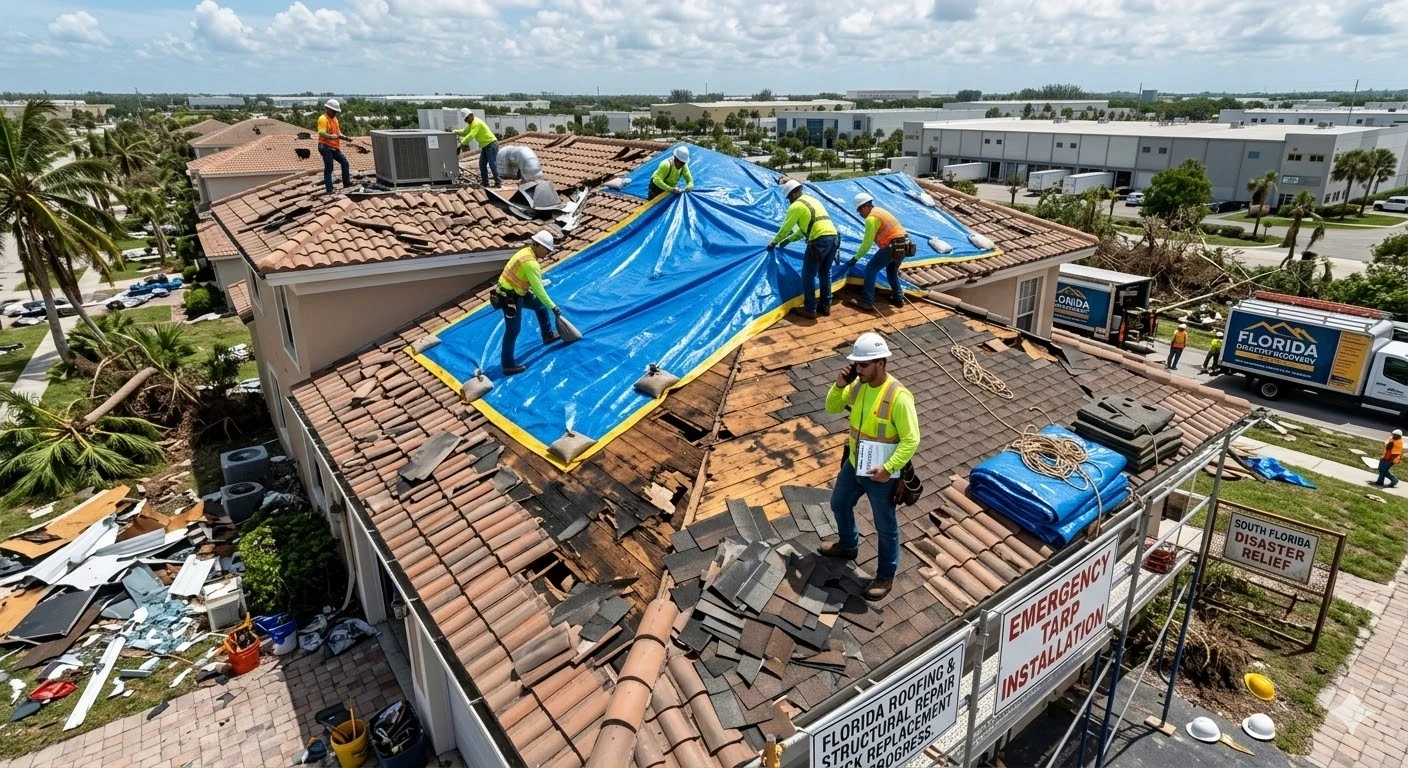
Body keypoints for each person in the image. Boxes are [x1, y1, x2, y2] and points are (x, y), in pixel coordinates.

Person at [819, 332, 920, 600]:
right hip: (855, 465)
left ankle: (885, 576)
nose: (858, 370)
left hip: (882, 475)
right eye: (856, 365)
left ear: (881, 363)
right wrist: (840, 384)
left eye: (863, 365)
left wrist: (889, 468)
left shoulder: (898, 397)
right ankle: (849, 545)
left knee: (885, 525)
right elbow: (831, 407)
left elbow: (911, 439)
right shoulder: (859, 385)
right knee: (839, 504)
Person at [769, 179, 839, 319]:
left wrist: (773, 243)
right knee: (825, 273)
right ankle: (825, 306)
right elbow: (804, 230)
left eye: (789, 197)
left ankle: (810, 309)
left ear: (793, 194)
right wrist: (788, 241)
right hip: (833, 237)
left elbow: (785, 228)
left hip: (819, 240)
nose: (789, 200)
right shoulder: (812, 201)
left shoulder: (796, 206)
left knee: (808, 275)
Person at [493, 231, 561, 375]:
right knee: (513, 330)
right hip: (509, 297)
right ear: (538, 245)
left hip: (518, 292)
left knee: (540, 307)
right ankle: (508, 365)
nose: (548, 253)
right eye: (547, 249)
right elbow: (539, 290)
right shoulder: (531, 263)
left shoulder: (525, 252)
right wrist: (553, 307)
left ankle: (548, 335)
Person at [845, 192, 911, 311]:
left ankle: (867, 301)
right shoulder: (880, 211)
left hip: (892, 246)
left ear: (865, 206)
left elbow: (866, 244)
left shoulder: (871, 219)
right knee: (891, 271)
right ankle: (898, 298)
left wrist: (855, 258)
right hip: (905, 244)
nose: (860, 214)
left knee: (870, 269)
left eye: (860, 210)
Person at [454, 109, 501, 188]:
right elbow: (465, 132)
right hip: (485, 146)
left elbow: (471, 135)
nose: (466, 121)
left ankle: (498, 181)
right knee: (482, 164)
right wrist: (454, 132)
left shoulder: (476, 123)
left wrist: (461, 144)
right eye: (465, 119)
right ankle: (485, 183)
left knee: (492, 163)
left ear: (471, 115)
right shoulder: (471, 124)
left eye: (466, 119)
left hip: (491, 144)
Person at [316, 99, 352, 195]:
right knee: (329, 168)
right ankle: (329, 189)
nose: (334, 113)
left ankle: (347, 183)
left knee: (345, 163)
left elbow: (338, 132)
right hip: (325, 146)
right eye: (333, 111)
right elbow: (321, 132)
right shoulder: (323, 119)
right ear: (327, 109)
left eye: (335, 111)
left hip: (334, 147)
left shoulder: (335, 119)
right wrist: (332, 136)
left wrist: (344, 137)